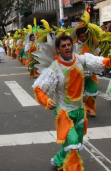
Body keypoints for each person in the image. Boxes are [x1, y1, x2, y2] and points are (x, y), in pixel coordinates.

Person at [32, 35, 111, 171]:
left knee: (75, 143)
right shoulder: (54, 68)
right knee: (73, 143)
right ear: (58, 49)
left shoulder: (80, 60)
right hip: (64, 112)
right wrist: (46, 100)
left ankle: (59, 159)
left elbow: (98, 61)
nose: (67, 47)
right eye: (64, 46)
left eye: (69, 45)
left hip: (80, 111)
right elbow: (39, 88)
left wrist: (107, 61)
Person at [74, 27, 100, 117]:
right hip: (78, 72)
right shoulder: (74, 45)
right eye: (81, 37)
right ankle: (80, 108)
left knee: (93, 89)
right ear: (78, 37)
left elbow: (98, 54)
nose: (83, 38)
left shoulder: (92, 44)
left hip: (91, 72)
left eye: (85, 36)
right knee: (78, 92)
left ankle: (91, 108)